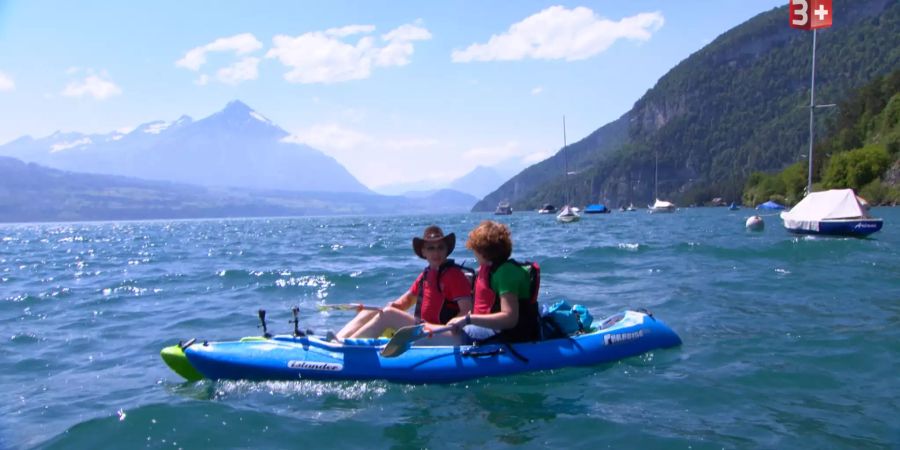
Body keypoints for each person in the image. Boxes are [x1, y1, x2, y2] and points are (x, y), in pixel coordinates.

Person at [334, 225, 473, 340]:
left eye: (440, 247)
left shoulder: (454, 275)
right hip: (426, 329)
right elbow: (403, 303)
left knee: (388, 314)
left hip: (446, 333)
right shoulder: (426, 274)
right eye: (431, 248)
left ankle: (348, 349)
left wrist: (450, 326)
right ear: (423, 252)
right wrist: (384, 308)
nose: (436, 252)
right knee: (373, 311)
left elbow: (466, 310)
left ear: (446, 250)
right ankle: (338, 341)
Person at [443, 220, 541, 344]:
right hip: (492, 330)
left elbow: (510, 319)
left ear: (483, 252)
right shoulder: (492, 268)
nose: (474, 254)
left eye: (475, 250)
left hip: (509, 336)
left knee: (447, 335)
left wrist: (467, 319)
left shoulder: (506, 273)